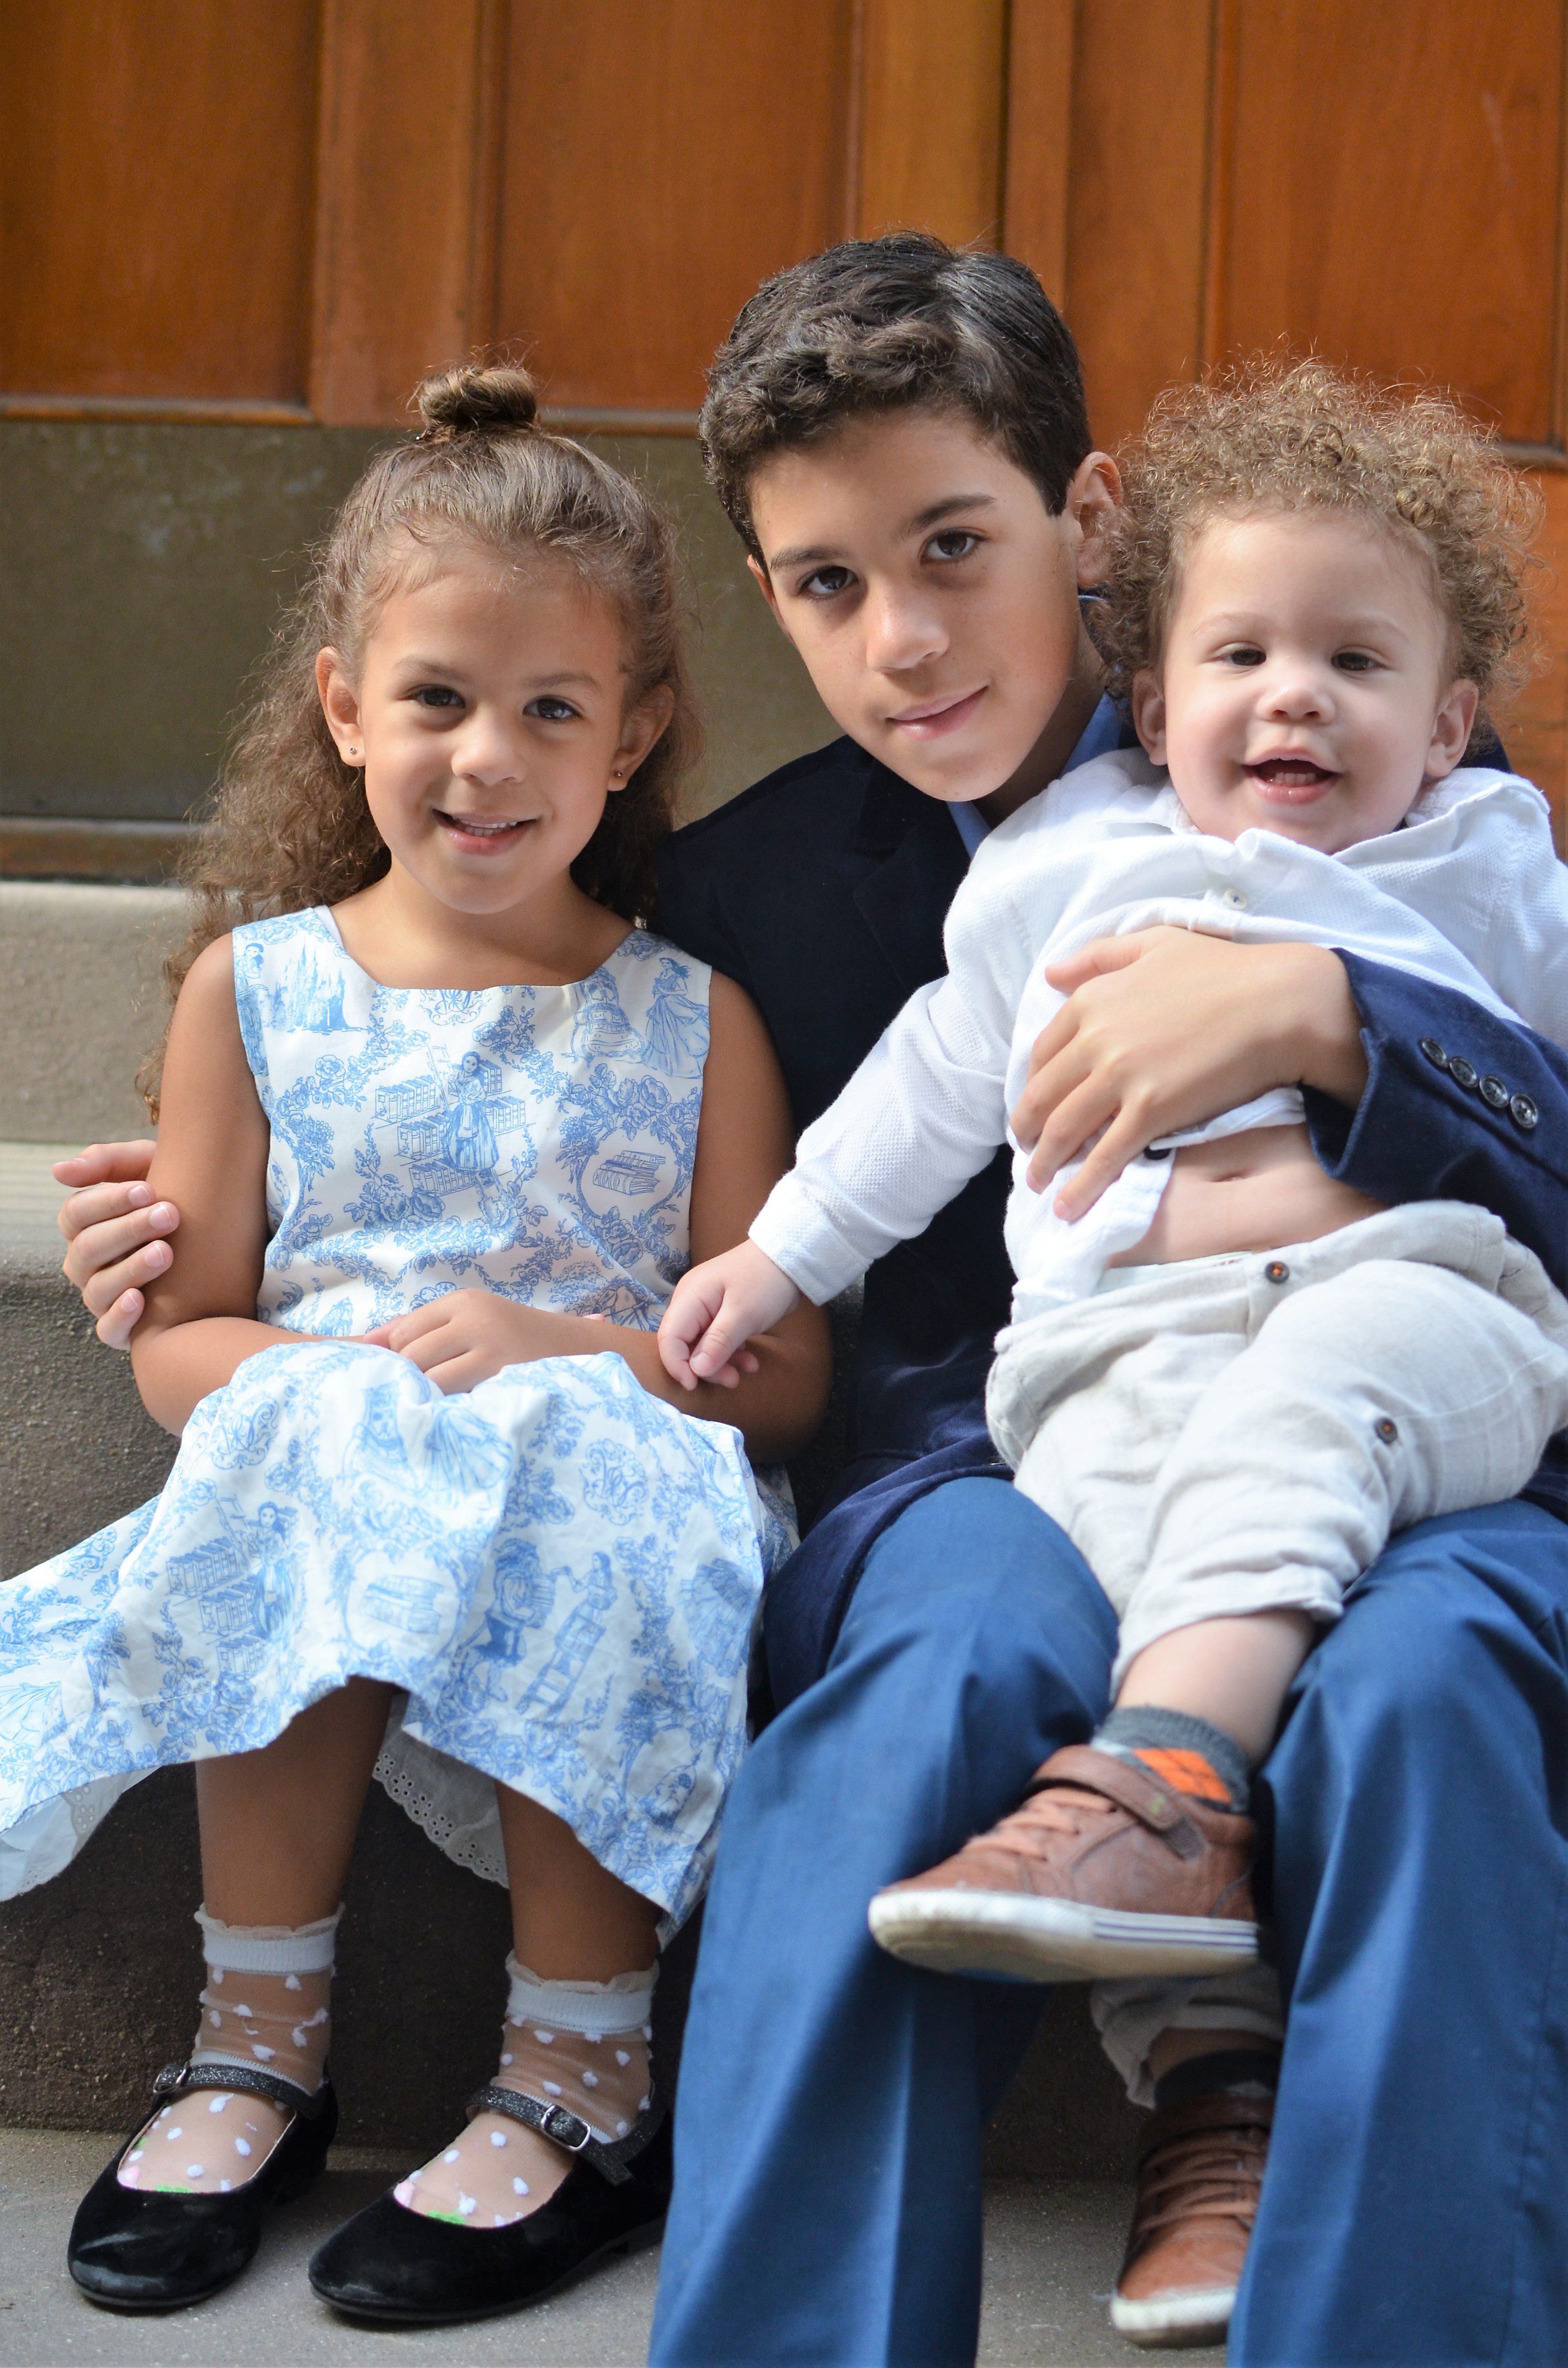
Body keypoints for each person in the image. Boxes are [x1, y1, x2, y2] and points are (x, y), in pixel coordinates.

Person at [56, 241, 1568, 2363]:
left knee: (1426, 1684)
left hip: (1417, 1396)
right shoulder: (746, 894)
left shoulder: (1359, 751)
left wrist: (1331, 1016)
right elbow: (496, 1021)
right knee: (921, 1680)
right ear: (762, 597)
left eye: (954, 548)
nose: (903, 639)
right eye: (826, 584)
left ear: (1090, 517)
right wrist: (192, 1225)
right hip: (984, 1451)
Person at [3, 363, 830, 2327]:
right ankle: (255, 2044)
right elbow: (181, 1344)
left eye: (551, 707)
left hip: (609, 1487)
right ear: (344, 705)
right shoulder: (257, 990)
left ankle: (581, 2072)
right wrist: (332, 1387)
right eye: (438, 696)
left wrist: (567, 1348)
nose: (486, 755)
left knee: (592, 1452)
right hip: (336, 1461)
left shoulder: (695, 1022)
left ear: (632, 735)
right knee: (302, 1440)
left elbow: (782, 1380)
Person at [661, 363, 1568, 2043]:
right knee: (1130, 1577)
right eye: (1242, 658)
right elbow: (934, 1079)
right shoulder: (1058, 864)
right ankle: (1199, 2059)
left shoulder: (1476, 852)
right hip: (1125, 1339)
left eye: (1354, 664)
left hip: (1410, 1302)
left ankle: (1169, 1770)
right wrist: (776, 1254)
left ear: (1445, 726)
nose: (1295, 699)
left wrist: (1339, 1014)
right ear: (1154, 707)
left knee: (1307, 1425)